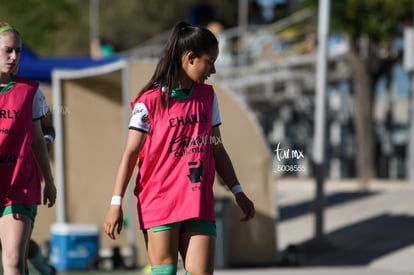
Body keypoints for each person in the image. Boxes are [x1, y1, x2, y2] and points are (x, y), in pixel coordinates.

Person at [103, 21, 255, 275]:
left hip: (198, 200)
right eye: (210, 61)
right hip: (159, 201)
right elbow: (130, 154)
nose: (213, 70)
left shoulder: (208, 97)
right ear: (190, 57)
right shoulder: (149, 103)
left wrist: (238, 191)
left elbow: (217, 148)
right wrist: (115, 203)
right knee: (166, 271)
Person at [0, 22, 56, 275]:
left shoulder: (30, 92)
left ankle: (44, 269)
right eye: (7, 51)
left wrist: (50, 181)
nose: (14, 57)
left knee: (12, 259)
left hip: (19, 184)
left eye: (18, 51)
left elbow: (41, 134)